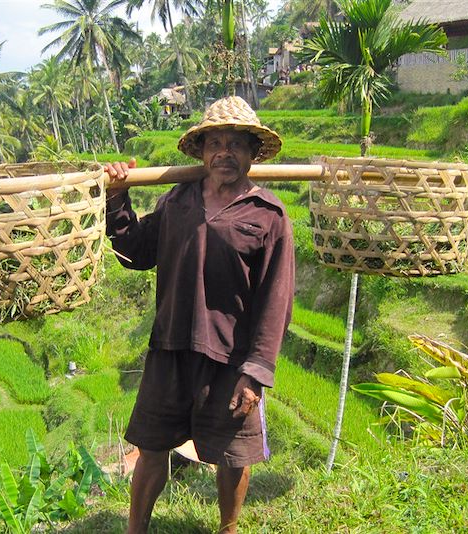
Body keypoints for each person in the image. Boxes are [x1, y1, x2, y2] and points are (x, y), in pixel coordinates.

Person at [104, 96, 294, 534]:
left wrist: (257, 370)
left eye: (235, 144)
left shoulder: (268, 216)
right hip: (170, 347)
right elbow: (135, 252)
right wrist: (118, 199)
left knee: (233, 456)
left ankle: (228, 528)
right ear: (203, 151)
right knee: (152, 448)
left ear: (251, 153)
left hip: (231, 359)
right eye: (215, 143)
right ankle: (136, 529)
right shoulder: (177, 202)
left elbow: (276, 300)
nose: (224, 152)